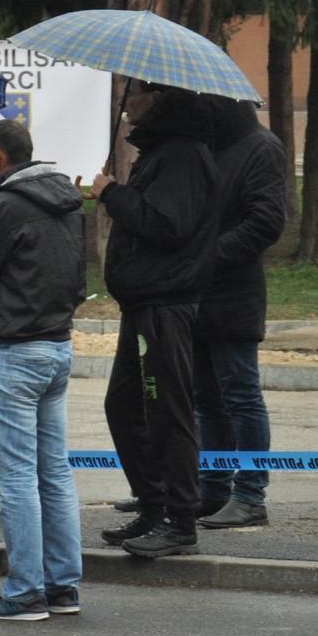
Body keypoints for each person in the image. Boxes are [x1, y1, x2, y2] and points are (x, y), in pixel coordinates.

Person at [0, 119, 86, 621]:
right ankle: (62, 584)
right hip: (56, 344)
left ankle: (25, 589)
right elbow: (76, 277)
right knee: (54, 472)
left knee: (17, 479)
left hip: (15, 351)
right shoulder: (66, 200)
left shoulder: (5, 205)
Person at [94, 83, 218, 558]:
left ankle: (180, 518)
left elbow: (167, 225)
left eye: (140, 92)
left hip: (165, 302)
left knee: (167, 409)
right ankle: (154, 504)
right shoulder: (161, 151)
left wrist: (111, 194)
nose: (129, 101)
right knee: (124, 406)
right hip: (144, 301)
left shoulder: (183, 154)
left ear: (162, 100)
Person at [192, 97, 288, 530]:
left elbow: (266, 222)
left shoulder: (261, 147)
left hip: (234, 295)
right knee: (206, 400)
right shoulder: (211, 146)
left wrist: (206, 256)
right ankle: (213, 488)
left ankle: (250, 495)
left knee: (241, 397)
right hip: (198, 293)